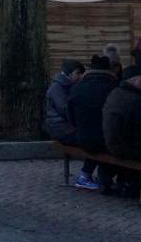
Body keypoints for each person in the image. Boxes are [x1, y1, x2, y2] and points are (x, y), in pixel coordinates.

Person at [44, 59, 99, 190]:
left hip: (65, 127)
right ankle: (85, 176)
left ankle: (90, 176)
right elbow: (66, 110)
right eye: (79, 74)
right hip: (61, 129)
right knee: (93, 141)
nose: (80, 77)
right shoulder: (57, 88)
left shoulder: (65, 86)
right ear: (71, 73)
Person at [68, 54, 119, 192]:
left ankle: (90, 176)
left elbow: (71, 117)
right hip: (106, 140)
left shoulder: (77, 88)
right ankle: (108, 178)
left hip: (82, 137)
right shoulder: (114, 88)